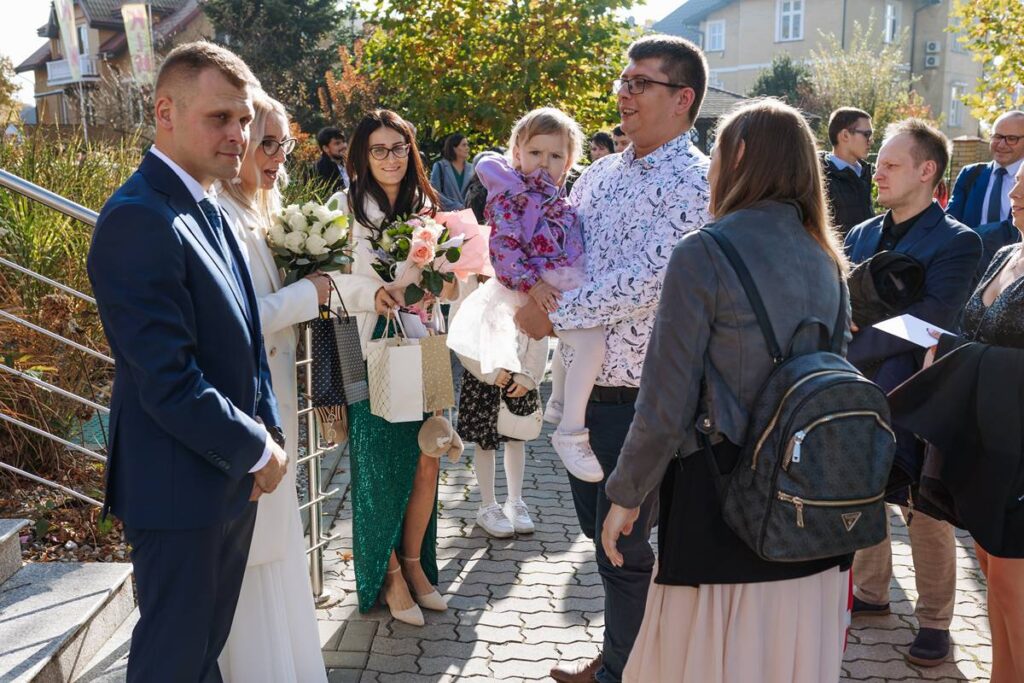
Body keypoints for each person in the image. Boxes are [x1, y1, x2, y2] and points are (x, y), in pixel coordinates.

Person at [601, 97, 852, 683]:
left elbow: (664, 403)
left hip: (723, 505)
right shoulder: (828, 257)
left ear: (739, 155)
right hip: (808, 508)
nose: (710, 168)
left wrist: (626, 495)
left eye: (716, 152)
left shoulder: (703, 251)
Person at [86, 42, 289, 682]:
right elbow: (168, 381)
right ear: (165, 111)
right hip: (177, 490)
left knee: (202, 656)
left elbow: (248, 340)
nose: (240, 134)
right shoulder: (138, 218)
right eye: (219, 118)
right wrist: (256, 447)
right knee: (173, 663)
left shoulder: (207, 202)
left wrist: (269, 428)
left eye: (244, 119)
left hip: (224, 480)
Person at [516, 35, 713, 683]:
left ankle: (624, 671)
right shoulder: (598, 174)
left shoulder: (696, 181)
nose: (623, 94)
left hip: (643, 401)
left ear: (682, 98)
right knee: (601, 539)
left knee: (623, 546)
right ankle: (628, 654)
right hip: (581, 391)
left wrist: (556, 313)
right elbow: (564, 257)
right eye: (622, 82)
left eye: (640, 83)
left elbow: (651, 279)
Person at [844, 118, 982, 667]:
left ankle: (935, 621)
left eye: (891, 164)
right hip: (858, 389)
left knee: (925, 511)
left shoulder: (959, 242)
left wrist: (857, 335)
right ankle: (872, 594)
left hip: (922, 392)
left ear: (927, 172)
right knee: (863, 492)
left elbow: (935, 322)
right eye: (878, 161)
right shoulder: (858, 234)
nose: (877, 170)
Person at [216, 93, 329, 683]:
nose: (279, 156)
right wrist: (310, 293)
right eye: (268, 142)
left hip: (277, 408)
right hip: (249, 417)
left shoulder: (257, 212)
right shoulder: (223, 216)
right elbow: (237, 319)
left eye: (284, 144)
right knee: (255, 556)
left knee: (279, 551)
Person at [447, 107, 600, 539]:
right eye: (535, 152)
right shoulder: (510, 196)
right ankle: (488, 503)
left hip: (547, 303)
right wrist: (534, 285)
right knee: (486, 419)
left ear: (569, 162)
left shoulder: (565, 202)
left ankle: (518, 497)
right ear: (517, 153)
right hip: (507, 305)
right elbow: (506, 251)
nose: (544, 163)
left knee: (521, 415)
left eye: (555, 156)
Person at [333, 109, 459, 626]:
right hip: (366, 347)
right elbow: (330, 287)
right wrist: (379, 291)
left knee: (427, 456)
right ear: (362, 155)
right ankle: (385, 575)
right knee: (379, 464)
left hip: (425, 344)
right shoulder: (342, 209)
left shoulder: (428, 208)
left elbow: (452, 284)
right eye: (380, 149)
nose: (391, 158)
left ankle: (414, 565)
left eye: (400, 147)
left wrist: (440, 277)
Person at [948, 110, 1024, 228]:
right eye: (997, 136)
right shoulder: (970, 174)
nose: (1001, 145)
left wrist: (974, 237)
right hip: (968, 246)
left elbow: (1015, 231)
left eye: (1011, 138)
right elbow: (950, 221)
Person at [822, 106, 875, 235]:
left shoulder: (865, 172)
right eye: (866, 134)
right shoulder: (819, 177)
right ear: (845, 135)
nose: (871, 141)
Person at [430, 132, 474, 210]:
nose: (468, 148)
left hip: (469, 215)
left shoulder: (472, 168)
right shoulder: (440, 166)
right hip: (448, 215)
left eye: (467, 145)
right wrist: (455, 206)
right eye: (464, 145)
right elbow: (434, 192)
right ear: (454, 148)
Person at [315, 126, 350, 193]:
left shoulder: (352, 164)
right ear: (325, 148)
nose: (344, 146)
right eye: (337, 143)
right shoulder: (319, 172)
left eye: (344, 141)